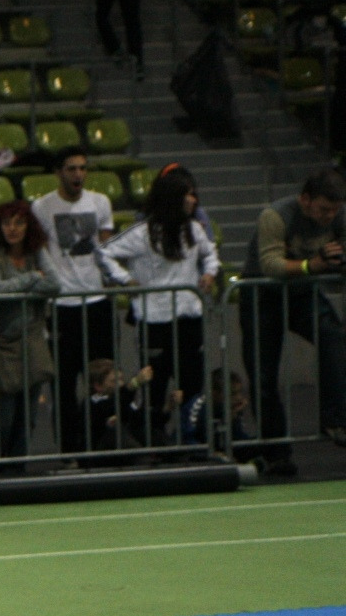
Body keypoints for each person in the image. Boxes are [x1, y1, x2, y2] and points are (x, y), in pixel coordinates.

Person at [97, 167, 219, 444]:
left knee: (192, 384)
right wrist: (125, 280)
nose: (194, 200)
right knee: (154, 386)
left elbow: (211, 253)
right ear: (173, 199)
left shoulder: (194, 229)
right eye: (188, 195)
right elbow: (104, 253)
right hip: (154, 321)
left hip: (190, 317)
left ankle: (191, 440)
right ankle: (153, 441)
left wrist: (210, 273)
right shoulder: (141, 233)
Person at [236, 168, 346, 474]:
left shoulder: (339, 215)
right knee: (263, 376)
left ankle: (335, 419)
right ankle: (276, 453)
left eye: (334, 210)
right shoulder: (276, 216)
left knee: (334, 337)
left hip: (301, 291)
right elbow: (271, 264)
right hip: (260, 294)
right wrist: (314, 264)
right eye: (323, 209)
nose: (329, 217)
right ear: (305, 200)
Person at [31, 145, 116, 458]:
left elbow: (107, 249)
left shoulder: (101, 202)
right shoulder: (42, 207)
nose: (78, 174)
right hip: (63, 306)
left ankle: (105, 445)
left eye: (82, 168)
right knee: (64, 385)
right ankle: (70, 452)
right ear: (58, 173)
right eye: (71, 169)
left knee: (103, 379)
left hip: (97, 301)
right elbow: (39, 251)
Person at [0, 201, 58, 464]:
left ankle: (18, 465)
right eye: (6, 223)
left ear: (28, 226)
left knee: (29, 413)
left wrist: (20, 286)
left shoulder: (37, 252)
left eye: (19, 223)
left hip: (33, 338)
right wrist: (32, 278)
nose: (12, 229)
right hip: (1, 341)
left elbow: (55, 284)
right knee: (4, 413)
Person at [86, 358, 153, 455]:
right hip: (100, 455)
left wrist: (167, 408)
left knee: (151, 432)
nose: (121, 384)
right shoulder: (90, 405)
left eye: (121, 379)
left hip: (124, 455)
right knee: (116, 432)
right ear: (98, 386)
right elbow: (110, 407)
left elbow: (140, 420)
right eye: (114, 381)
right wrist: (135, 383)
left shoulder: (124, 402)